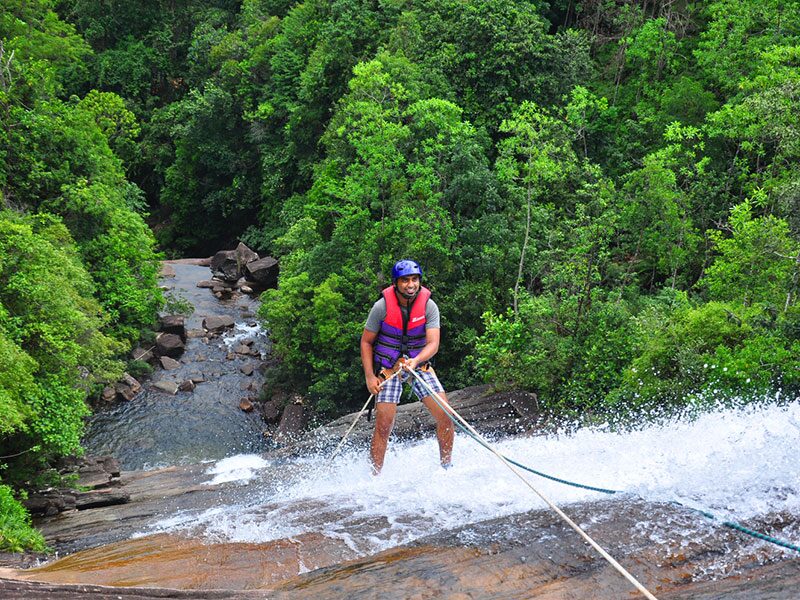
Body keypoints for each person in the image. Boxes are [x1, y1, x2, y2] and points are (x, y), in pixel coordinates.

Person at [360, 259, 454, 474]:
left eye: (414, 279)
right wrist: (369, 377)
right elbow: (366, 342)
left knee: (446, 415)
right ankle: (375, 476)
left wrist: (417, 360)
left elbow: (433, 343)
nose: (410, 284)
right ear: (396, 283)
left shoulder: (429, 306)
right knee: (383, 426)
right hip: (389, 369)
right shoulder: (381, 307)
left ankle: (447, 467)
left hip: (418, 364)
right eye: (405, 280)